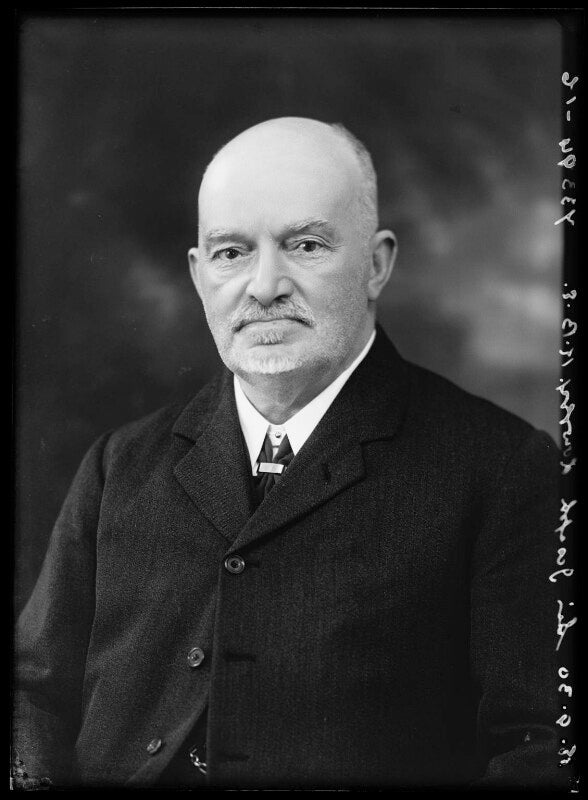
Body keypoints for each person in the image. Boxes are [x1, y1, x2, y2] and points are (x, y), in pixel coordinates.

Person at [14, 117, 564, 789]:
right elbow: (33, 693)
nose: (263, 285)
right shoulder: (118, 464)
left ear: (377, 264)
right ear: (198, 275)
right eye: (231, 252)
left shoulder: (503, 469)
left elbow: (540, 746)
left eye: (305, 245)